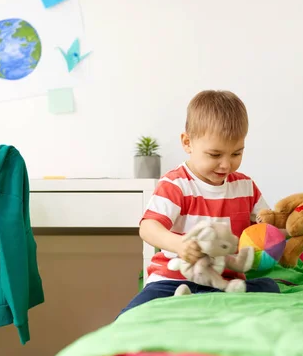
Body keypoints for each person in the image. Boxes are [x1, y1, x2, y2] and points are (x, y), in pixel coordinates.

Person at [117, 90, 280, 316]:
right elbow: (148, 227)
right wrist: (179, 245)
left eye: (236, 153)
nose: (225, 165)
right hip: (173, 280)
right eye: (215, 155)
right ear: (187, 142)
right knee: (131, 314)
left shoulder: (245, 187)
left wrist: (290, 230)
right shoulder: (176, 185)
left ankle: (206, 299)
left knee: (270, 287)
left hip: (225, 281)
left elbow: (267, 229)